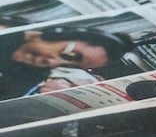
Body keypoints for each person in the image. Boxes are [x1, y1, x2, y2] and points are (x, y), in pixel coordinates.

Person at [0, 25, 131, 99]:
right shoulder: (9, 28)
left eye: (65, 65)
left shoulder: (24, 82)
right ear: (55, 34)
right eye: (68, 55)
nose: (52, 63)